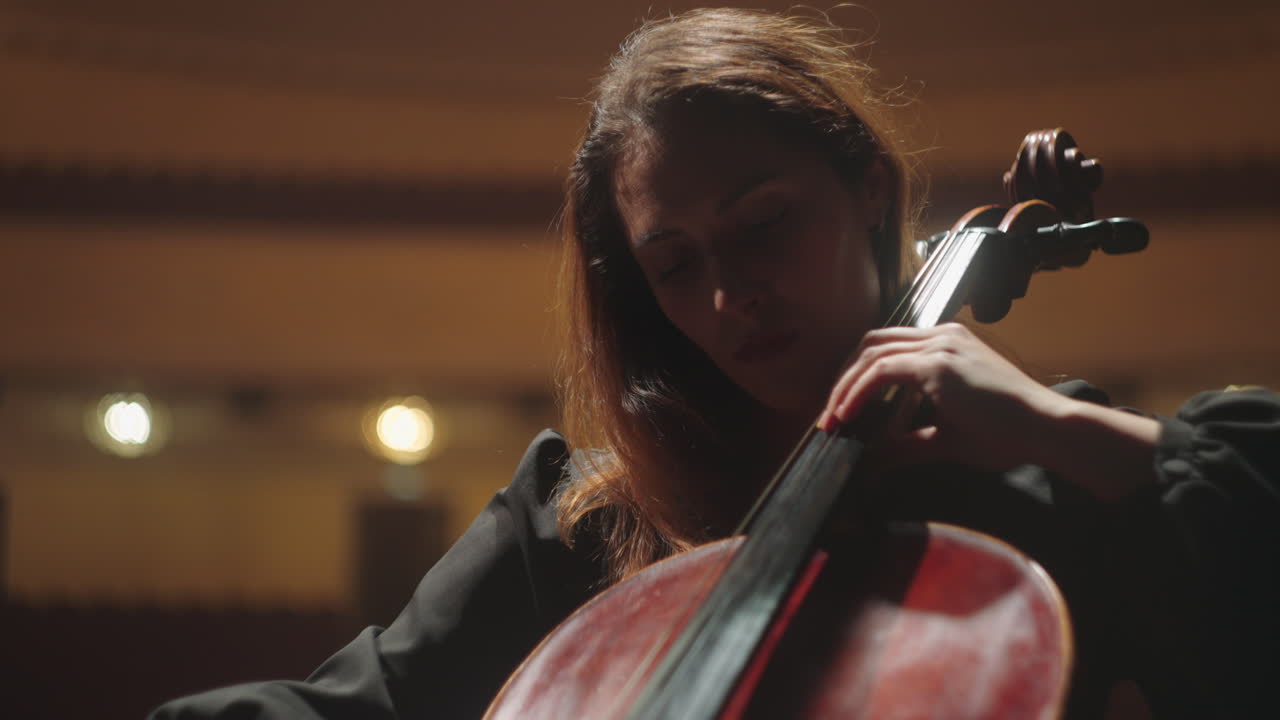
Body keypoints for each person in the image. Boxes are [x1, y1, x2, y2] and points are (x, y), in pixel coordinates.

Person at [152, 8, 1280, 719]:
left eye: (760, 228)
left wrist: (1060, 430)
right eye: (676, 264)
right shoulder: (577, 522)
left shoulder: (1048, 482)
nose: (729, 298)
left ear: (870, 193)